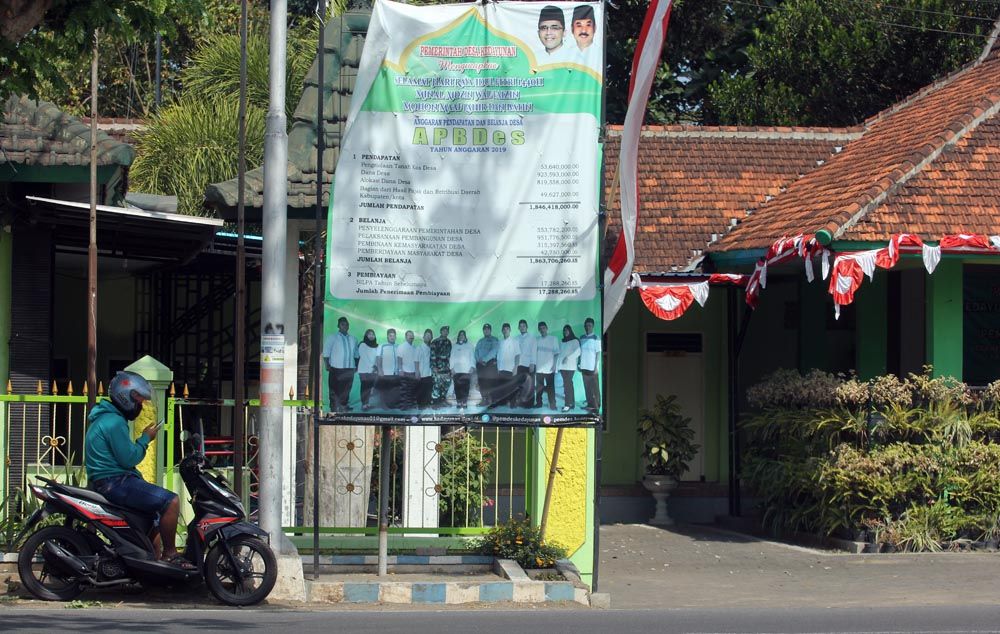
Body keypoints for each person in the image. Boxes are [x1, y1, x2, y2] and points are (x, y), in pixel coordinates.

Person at [86, 371, 193, 569]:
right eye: (138, 401)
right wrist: (145, 438)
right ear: (124, 397)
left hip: (107, 482)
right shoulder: (114, 422)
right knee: (171, 501)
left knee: (154, 518)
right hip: (116, 483)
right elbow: (129, 458)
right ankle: (171, 554)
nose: (140, 405)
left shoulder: (103, 418)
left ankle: (152, 565)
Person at [323, 317, 359, 412]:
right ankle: (334, 407)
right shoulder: (332, 337)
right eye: (342, 324)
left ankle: (343, 405)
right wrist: (327, 364)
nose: (345, 326)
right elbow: (326, 351)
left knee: (346, 388)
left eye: (346, 324)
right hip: (336, 367)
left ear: (348, 326)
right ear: (338, 326)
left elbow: (356, 354)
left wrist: (356, 366)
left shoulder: (353, 339)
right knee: (334, 389)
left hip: (349, 367)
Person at [534, 321, 559, 410]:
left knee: (550, 387)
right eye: (540, 329)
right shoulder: (536, 340)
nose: (542, 330)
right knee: (539, 387)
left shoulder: (553, 339)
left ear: (547, 328)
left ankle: (552, 404)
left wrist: (555, 365)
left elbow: (556, 354)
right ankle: (539, 403)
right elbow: (534, 354)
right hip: (539, 368)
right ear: (538, 330)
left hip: (549, 368)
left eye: (543, 328)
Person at [579, 317, 601, 413]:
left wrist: (596, 366)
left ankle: (596, 406)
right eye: (586, 325)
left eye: (590, 326)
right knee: (587, 387)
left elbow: (598, 353)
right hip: (584, 367)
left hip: (592, 367)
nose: (588, 327)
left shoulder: (596, 338)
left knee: (595, 388)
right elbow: (580, 352)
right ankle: (589, 405)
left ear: (593, 326)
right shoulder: (582, 337)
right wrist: (578, 363)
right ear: (584, 326)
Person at [557, 324, 581, 412]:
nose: (565, 332)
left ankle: (567, 404)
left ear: (570, 331)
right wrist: (558, 366)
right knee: (568, 385)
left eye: (567, 330)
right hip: (562, 367)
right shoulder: (562, 341)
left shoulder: (575, 341)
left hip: (570, 367)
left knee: (567, 385)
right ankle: (572, 404)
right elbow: (560, 354)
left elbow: (578, 352)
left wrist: (568, 358)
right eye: (564, 330)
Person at [474, 323, 499, 406]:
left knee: (491, 382)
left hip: (490, 364)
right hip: (481, 365)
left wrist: (485, 360)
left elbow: (494, 351)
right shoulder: (480, 341)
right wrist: (478, 360)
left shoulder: (494, 339)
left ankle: (493, 401)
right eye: (485, 329)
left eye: (488, 329)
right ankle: (484, 399)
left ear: (490, 330)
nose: (486, 330)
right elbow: (476, 351)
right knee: (482, 383)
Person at [569, 4, 601, 70]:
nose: (584, 30)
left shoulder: (600, 54)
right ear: (572, 29)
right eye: (579, 25)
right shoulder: (565, 55)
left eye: (588, 25)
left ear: (594, 28)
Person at [496, 323, 520, 406]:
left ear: (510, 330)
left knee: (511, 387)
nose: (505, 330)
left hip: (510, 368)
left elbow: (517, 355)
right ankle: (503, 402)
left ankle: (513, 403)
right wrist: (498, 368)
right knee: (503, 387)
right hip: (501, 368)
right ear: (502, 331)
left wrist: (516, 367)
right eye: (504, 329)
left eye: (507, 329)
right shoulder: (500, 342)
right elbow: (498, 356)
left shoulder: (515, 341)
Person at [515, 319, 537, 408]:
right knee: (520, 385)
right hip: (519, 364)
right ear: (518, 328)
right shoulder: (516, 338)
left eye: (524, 326)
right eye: (520, 326)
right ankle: (521, 402)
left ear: (527, 327)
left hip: (529, 364)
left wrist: (532, 363)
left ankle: (529, 404)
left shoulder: (532, 337)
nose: (522, 327)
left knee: (530, 385)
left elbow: (534, 351)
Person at [450, 330, 475, 410]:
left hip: (466, 370)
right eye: (460, 335)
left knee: (465, 387)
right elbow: (451, 358)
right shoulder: (454, 346)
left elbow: (472, 357)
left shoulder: (469, 345)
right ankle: (458, 402)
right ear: (458, 336)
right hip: (456, 370)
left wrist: (472, 366)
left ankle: (464, 402)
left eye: (463, 335)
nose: (461, 336)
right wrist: (451, 368)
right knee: (457, 387)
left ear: (465, 336)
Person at [376, 328, 400, 409]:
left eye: (394, 336)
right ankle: (384, 406)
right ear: (387, 336)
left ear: (396, 337)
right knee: (385, 391)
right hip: (385, 372)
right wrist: (380, 370)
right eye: (390, 335)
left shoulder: (398, 346)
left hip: (395, 373)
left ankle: (392, 405)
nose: (392, 337)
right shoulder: (382, 346)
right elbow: (379, 358)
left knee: (394, 390)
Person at [430, 326, 453, 407]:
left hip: (446, 368)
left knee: (446, 384)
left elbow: (450, 356)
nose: (445, 332)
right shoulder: (435, 342)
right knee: (437, 386)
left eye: (447, 331)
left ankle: (443, 400)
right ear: (441, 331)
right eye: (444, 331)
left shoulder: (449, 342)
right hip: (437, 368)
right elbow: (432, 355)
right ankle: (435, 403)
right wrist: (434, 367)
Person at [357, 329, 379, 411]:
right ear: (366, 335)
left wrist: (376, 367)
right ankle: (364, 404)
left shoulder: (377, 346)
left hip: (373, 370)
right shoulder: (362, 345)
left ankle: (367, 403)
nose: (371, 335)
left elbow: (377, 357)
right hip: (364, 370)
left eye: (373, 334)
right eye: (369, 334)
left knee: (370, 387)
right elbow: (364, 357)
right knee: (364, 387)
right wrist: (372, 367)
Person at [398, 330, 418, 409]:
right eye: (409, 335)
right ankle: (404, 406)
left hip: (412, 372)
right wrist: (400, 370)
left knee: (412, 389)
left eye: (412, 335)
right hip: (404, 371)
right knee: (404, 390)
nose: (411, 337)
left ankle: (411, 405)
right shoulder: (401, 346)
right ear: (406, 337)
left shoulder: (414, 347)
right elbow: (399, 359)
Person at [416, 329, 434, 408]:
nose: (428, 337)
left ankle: (427, 404)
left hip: (429, 373)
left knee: (428, 389)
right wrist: (417, 372)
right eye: (426, 336)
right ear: (423, 337)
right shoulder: (419, 347)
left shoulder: (431, 347)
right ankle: (420, 405)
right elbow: (416, 361)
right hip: (421, 372)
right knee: (421, 390)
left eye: (429, 336)